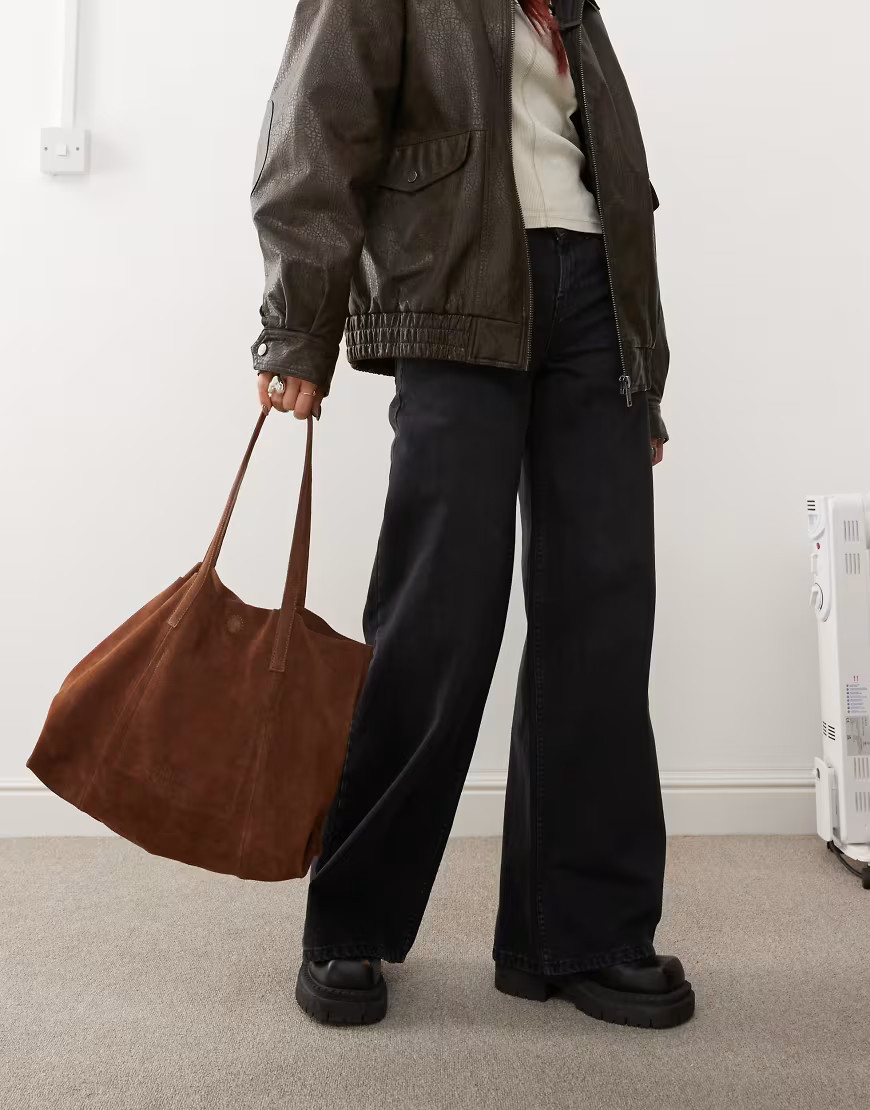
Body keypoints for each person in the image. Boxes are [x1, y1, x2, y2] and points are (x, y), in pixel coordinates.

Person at [249, 0, 693, 1029]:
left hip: (591, 302)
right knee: (437, 618)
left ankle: (579, 934)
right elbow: (317, 126)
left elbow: (618, 180)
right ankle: (351, 923)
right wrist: (296, 332)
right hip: (453, 286)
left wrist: (645, 376)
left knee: (602, 621)